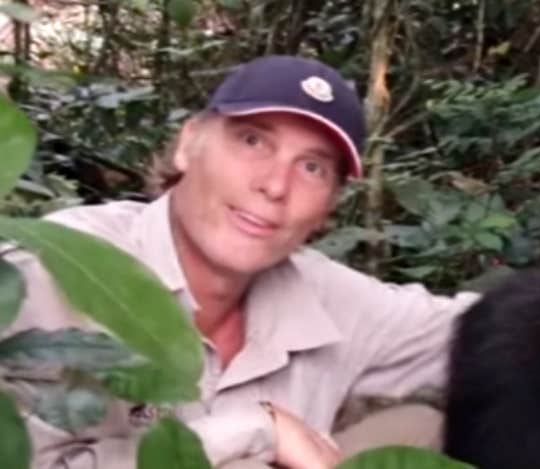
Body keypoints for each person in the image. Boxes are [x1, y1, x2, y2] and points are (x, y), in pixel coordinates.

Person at [2, 55, 480, 469]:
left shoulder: (334, 298)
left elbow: (500, 330)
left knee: (417, 427)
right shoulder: (52, 269)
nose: (275, 186)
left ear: (329, 206)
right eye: (253, 141)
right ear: (189, 143)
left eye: (312, 167)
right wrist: (254, 429)